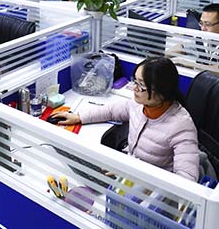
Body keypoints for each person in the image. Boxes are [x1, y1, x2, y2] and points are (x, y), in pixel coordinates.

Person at [53, 57, 199, 181]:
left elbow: (187, 180)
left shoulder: (181, 126)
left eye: (141, 85)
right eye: (135, 81)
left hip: (149, 188)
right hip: (128, 168)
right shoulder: (139, 105)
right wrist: (79, 117)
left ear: (162, 91)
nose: (134, 88)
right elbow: (111, 111)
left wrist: (134, 176)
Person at [168, 3, 219, 75]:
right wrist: (164, 56)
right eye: (201, 23)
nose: (203, 28)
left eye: (207, 24)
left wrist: (188, 64)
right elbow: (183, 46)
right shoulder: (208, 34)